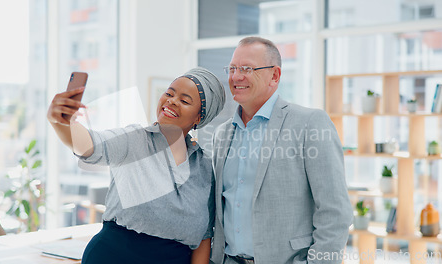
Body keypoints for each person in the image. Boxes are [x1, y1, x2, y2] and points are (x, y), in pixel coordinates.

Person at [47, 67, 225, 264]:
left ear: (199, 117)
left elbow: (204, 237)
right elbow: (90, 145)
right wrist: (62, 123)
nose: (172, 101)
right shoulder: (134, 140)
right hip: (114, 257)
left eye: (184, 100)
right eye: (169, 93)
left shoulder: (204, 166)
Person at [210, 37, 353, 264]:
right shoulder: (222, 134)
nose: (236, 77)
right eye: (233, 68)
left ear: (274, 76)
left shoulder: (309, 124)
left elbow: (335, 213)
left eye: (247, 69)